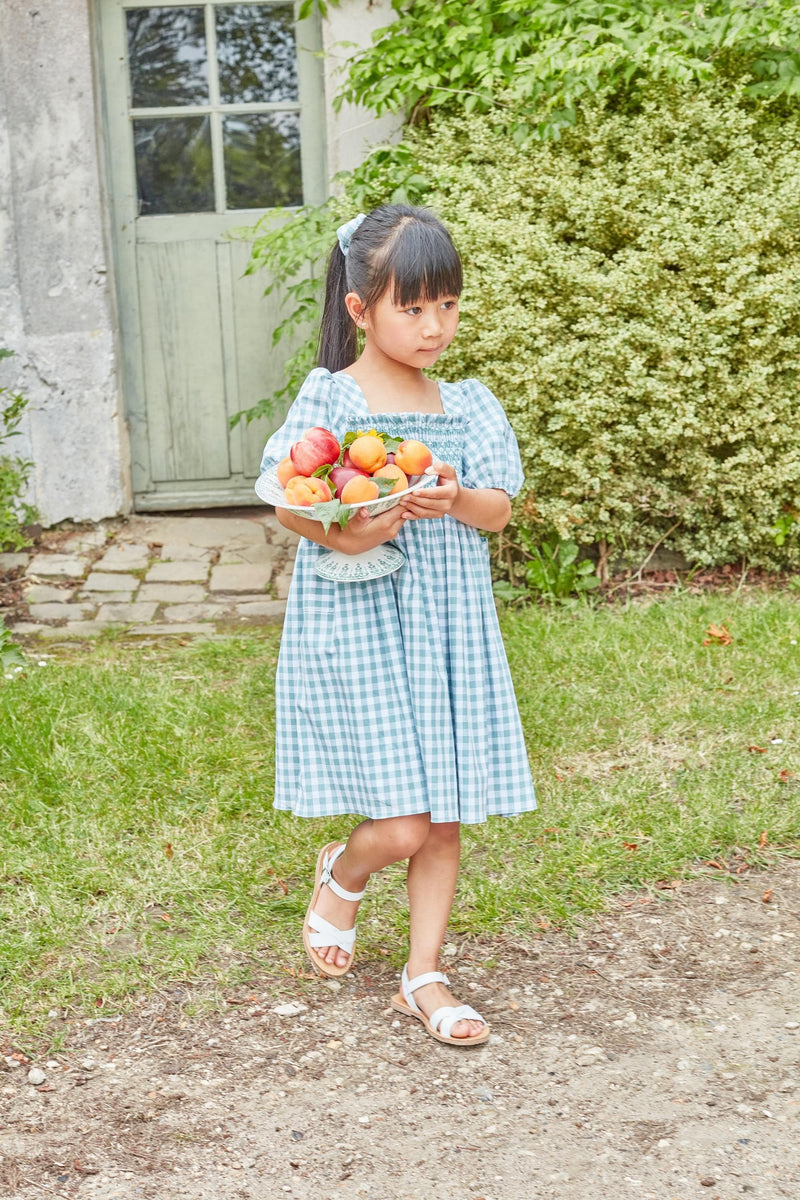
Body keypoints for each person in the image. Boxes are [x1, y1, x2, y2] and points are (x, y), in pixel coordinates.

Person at [259, 204, 536, 1047]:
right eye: (411, 308)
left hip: (447, 629)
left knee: (443, 815)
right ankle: (343, 876)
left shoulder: (468, 404)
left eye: (446, 305)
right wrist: (351, 529)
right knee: (403, 821)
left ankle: (426, 975)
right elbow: (286, 498)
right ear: (360, 310)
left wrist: (454, 498)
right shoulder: (333, 399)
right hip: (363, 621)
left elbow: (497, 511)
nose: (433, 326)